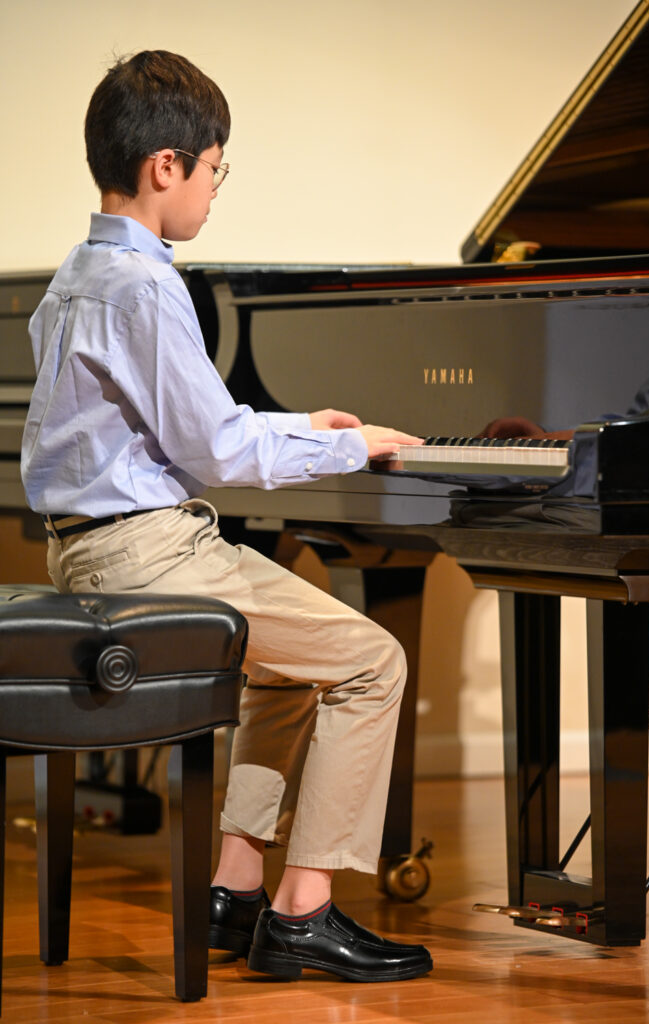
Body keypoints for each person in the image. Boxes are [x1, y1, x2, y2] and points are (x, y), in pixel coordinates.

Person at [20, 50, 433, 983]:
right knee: (373, 662)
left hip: (84, 553)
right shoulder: (146, 285)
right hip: (150, 554)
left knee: (285, 670)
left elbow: (174, 427)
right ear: (166, 165)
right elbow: (215, 453)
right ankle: (304, 912)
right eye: (215, 169)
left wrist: (305, 424)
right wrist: (350, 447)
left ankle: (235, 890)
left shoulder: (76, 275)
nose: (214, 190)